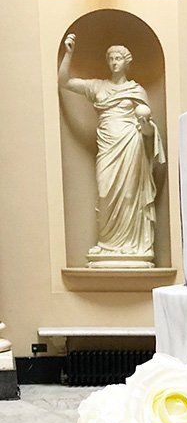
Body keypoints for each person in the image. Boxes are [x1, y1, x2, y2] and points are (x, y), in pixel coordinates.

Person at [58, 33, 166, 262]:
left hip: (130, 144)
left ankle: (134, 246)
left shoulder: (136, 91)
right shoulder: (97, 87)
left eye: (118, 58)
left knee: (129, 194)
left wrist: (145, 124)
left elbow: (148, 132)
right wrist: (69, 54)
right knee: (105, 192)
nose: (114, 62)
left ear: (127, 62)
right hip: (107, 146)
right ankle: (107, 244)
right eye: (111, 59)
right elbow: (64, 82)